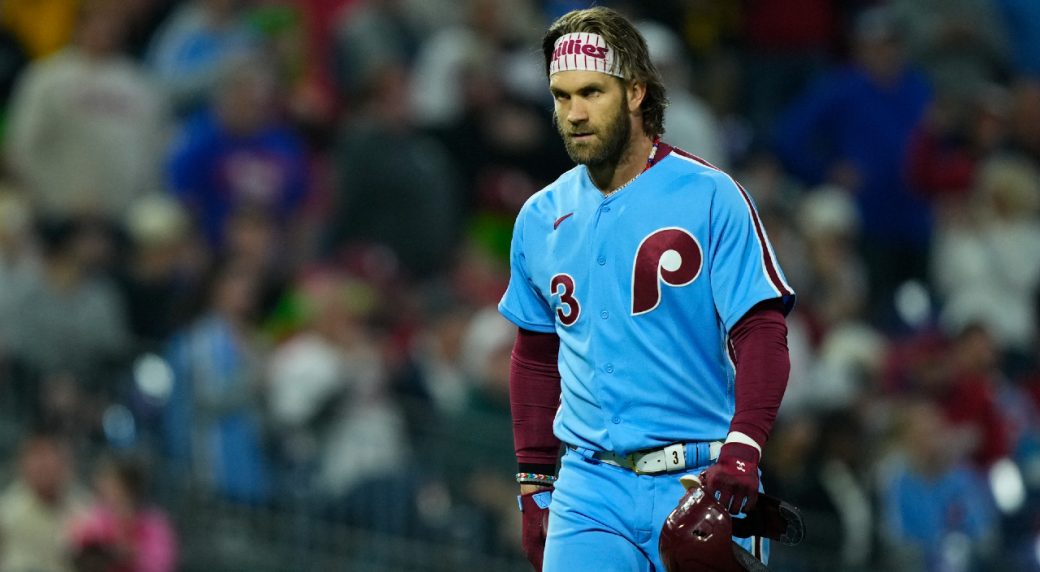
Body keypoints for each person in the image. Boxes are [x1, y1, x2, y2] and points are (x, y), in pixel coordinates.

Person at [498, 7, 795, 571]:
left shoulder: (712, 195)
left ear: (635, 92)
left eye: (592, 92)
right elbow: (535, 355)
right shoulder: (540, 216)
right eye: (562, 96)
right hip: (587, 486)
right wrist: (534, 481)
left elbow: (760, 330)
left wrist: (746, 446)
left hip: (700, 479)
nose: (575, 113)